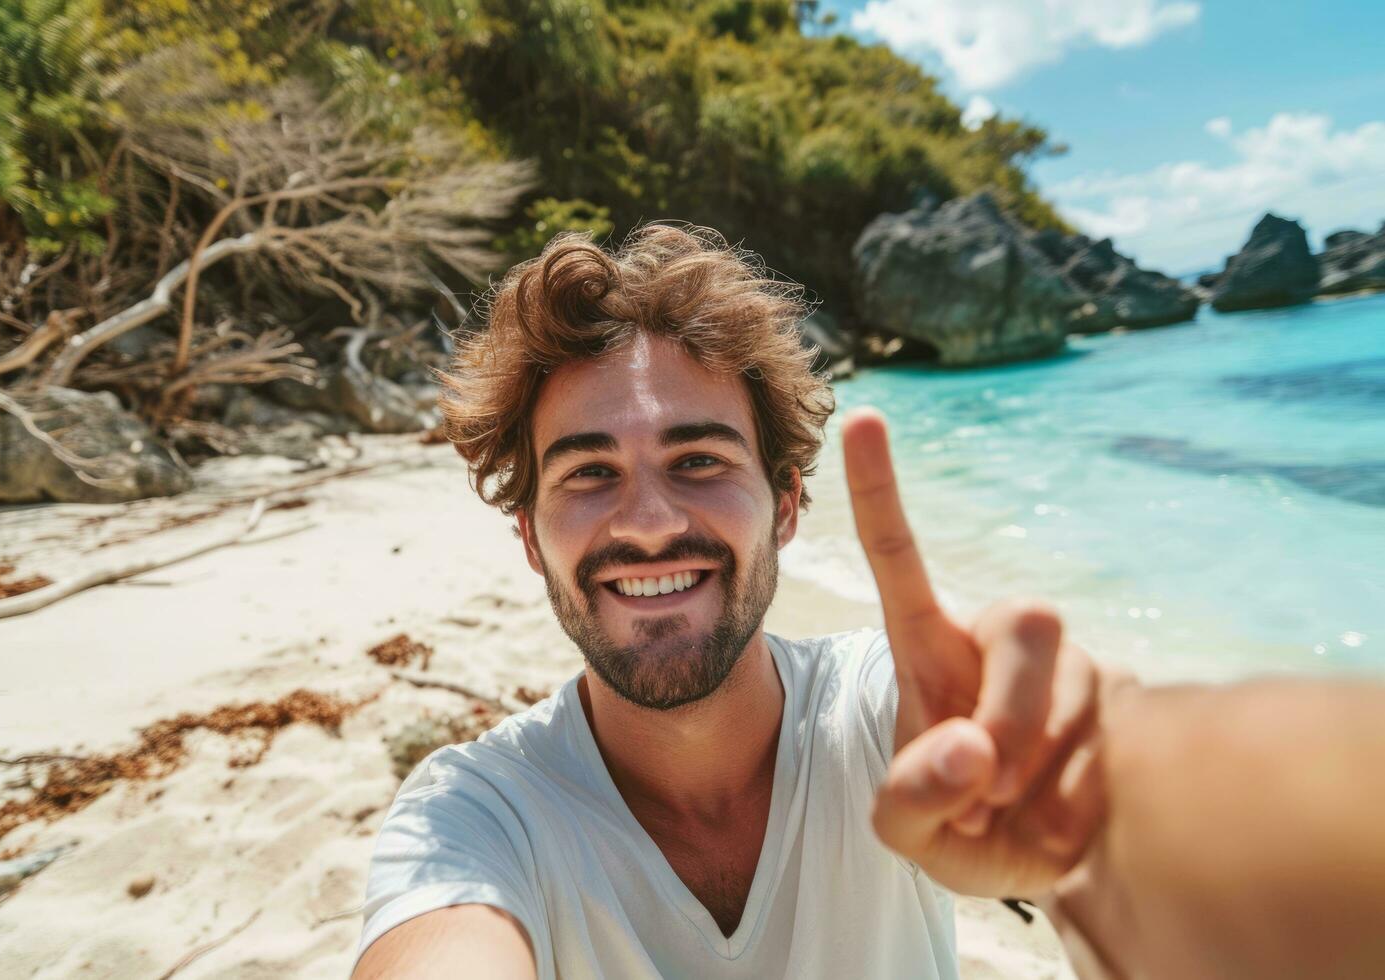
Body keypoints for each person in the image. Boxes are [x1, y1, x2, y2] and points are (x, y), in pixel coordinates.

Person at [352, 224, 1385, 979]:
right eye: (587, 472)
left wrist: (1091, 837)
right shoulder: (474, 816)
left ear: (788, 504)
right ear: (530, 536)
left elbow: (1181, 808)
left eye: (699, 457)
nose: (652, 519)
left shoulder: (888, 715)